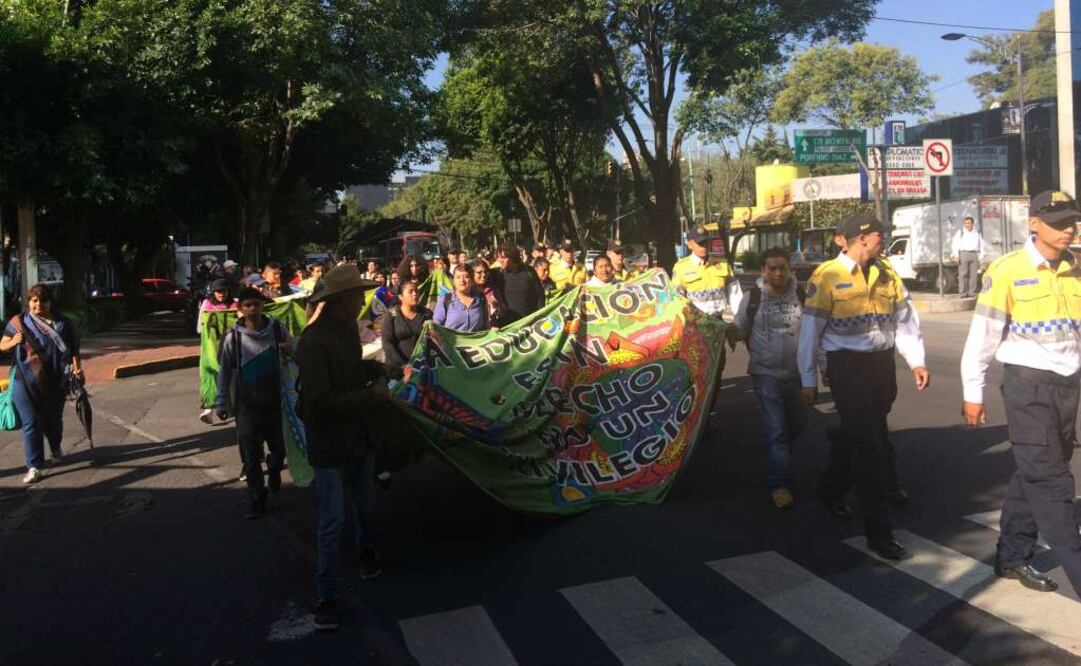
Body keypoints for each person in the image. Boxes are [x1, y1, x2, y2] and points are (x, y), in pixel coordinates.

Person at [960, 190, 1081, 595]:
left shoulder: (1076, 269)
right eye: (1059, 222)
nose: (1069, 229)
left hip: (1067, 386)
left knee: (1033, 472)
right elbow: (983, 335)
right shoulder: (1007, 270)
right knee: (1053, 484)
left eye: (1072, 221)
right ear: (1033, 224)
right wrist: (973, 390)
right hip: (1028, 387)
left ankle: (1012, 555)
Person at [798, 211, 929, 561]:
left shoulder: (888, 274)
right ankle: (879, 532)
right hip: (847, 366)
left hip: (881, 365)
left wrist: (916, 361)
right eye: (878, 235)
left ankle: (831, 487)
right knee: (871, 447)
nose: (882, 240)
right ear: (861, 238)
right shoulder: (827, 276)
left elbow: (905, 322)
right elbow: (810, 332)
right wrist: (808, 378)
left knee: (862, 434)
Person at [295, 264, 386, 631]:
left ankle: (367, 553)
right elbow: (320, 403)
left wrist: (377, 371)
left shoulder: (347, 329)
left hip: (358, 436)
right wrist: (370, 396)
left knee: (365, 505)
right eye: (357, 296)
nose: (363, 300)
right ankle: (326, 594)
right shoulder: (312, 341)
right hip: (329, 443)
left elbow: (350, 371)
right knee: (332, 520)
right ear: (340, 300)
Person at [733, 248, 806, 509]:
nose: (777, 273)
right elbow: (740, 327)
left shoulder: (802, 295)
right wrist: (725, 331)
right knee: (777, 431)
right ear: (764, 271)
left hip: (798, 373)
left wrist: (822, 370)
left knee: (797, 425)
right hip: (765, 373)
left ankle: (780, 460)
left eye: (782, 268)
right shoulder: (752, 298)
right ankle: (779, 484)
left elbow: (814, 333)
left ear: (790, 269)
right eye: (772, 268)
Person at [215, 287, 292, 518]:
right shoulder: (233, 338)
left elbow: (295, 351)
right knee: (249, 456)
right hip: (246, 405)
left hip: (274, 402)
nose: (252, 309)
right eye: (247, 305)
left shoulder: (277, 330)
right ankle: (257, 497)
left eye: (256, 304)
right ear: (240, 308)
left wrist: (289, 349)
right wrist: (221, 402)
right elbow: (224, 371)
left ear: (262, 306)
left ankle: (274, 467)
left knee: (279, 449)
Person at [0, 284, 83, 484]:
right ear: (29, 302)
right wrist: (13, 342)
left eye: (43, 300)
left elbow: (73, 350)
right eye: (34, 300)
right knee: (31, 423)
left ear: (50, 302)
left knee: (54, 421)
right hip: (24, 381)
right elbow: (2, 345)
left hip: (56, 382)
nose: (39, 304)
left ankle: (55, 448)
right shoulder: (18, 322)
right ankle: (34, 466)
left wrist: (77, 369)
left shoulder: (63, 323)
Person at [671, 228, 743, 319]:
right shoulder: (681, 268)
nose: (704, 246)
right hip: (696, 322)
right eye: (700, 243)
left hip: (719, 320)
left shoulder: (723, 264)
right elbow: (677, 298)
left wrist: (740, 320)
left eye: (706, 242)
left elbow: (735, 295)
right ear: (690, 245)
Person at [381, 280, 432, 375]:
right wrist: (402, 365)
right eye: (410, 292)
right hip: (398, 368)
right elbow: (387, 342)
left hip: (422, 367)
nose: (415, 294)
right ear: (401, 296)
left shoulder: (426, 313)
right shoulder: (392, 314)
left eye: (416, 291)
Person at [496, 243, 544, 323]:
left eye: (503, 257)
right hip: (507, 325)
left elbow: (540, 295)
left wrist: (540, 316)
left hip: (529, 322)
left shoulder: (529, 272)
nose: (500, 260)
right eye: (498, 257)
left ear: (513, 257)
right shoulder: (497, 274)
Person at [433, 264, 488, 332]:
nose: (462, 280)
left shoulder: (480, 298)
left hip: (476, 339)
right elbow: (436, 327)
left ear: (472, 280)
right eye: (458, 277)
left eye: (466, 277)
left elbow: (486, 325)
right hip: (450, 339)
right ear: (453, 280)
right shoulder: (445, 300)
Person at [951, 216, 988, 298]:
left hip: (974, 254)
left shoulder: (976, 232)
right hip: (963, 254)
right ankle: (963, 293)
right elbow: (955, 244)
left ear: (972, 224)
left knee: (973, 275)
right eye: (965, 223)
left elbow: (981, 244)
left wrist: (982, 255)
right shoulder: (960, 232)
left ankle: (972, 292)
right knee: (963, 274)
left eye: (969, 223)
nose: (967, 225)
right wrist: (956, 255)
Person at [471, 258, 507, 327]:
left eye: (486, 271)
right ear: (472, 273)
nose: (484, 274)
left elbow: (504, 311)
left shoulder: (493, 290)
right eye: (479, 272)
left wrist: (498, 308)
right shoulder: (467, 292)